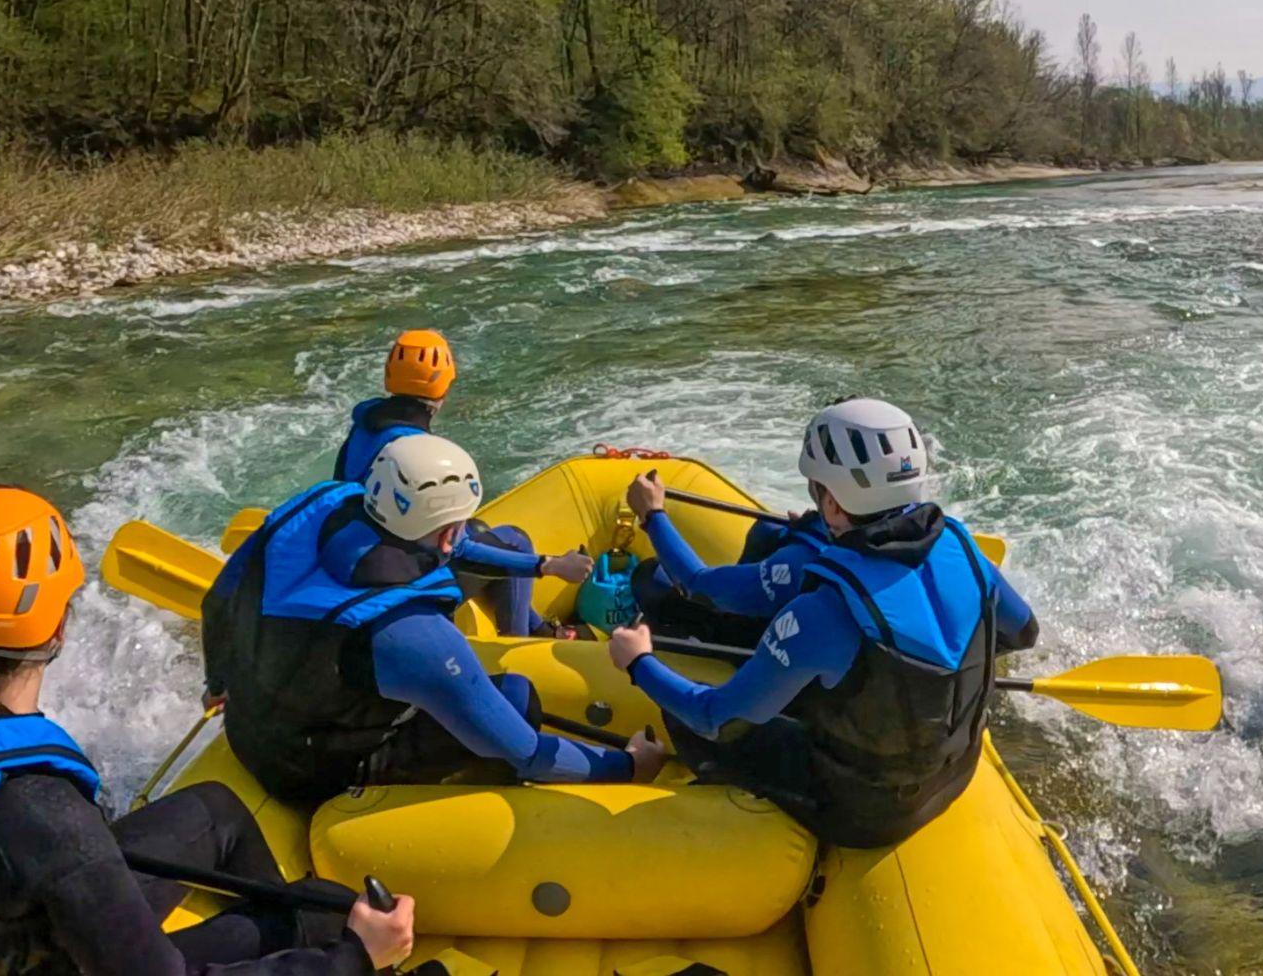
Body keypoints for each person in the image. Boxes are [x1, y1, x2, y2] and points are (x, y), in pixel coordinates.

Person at [0, 486, 414, 976]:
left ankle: (280, 916)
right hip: (56, 959)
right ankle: (301, 930)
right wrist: (355, 958)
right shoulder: (44, 811)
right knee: (326, 916)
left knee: (217, 809)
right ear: (60, 624)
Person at [606, 399, 1039, 849]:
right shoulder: (965, 549)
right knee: (844, 677)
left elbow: (715, 719)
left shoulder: (822, 612)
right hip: (957, 774)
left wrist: (639, 664)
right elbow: (1022, 632)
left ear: (831, 504)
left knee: (684, 720)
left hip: (866, 814)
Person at [204, 434, 665, 804]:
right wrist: (625, 766)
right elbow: (526, 753)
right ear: (447, 532)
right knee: (517, 698)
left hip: (251, 729)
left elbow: (217, 602)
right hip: (309, 775)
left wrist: (217, 681)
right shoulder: (416, 637)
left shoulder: (321, 502)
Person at [335, 328, 589, 636]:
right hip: (401, 573)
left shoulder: (366, 425)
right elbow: (457, 548)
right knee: (515, 541)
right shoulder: (418, 456)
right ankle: (518, 649)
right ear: (443, 388)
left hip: (361, 555)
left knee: (479, 529)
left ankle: (542, 630)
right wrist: (550, 564)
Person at [622, 475, 834, 649]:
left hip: (766, 653)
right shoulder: (857, 537)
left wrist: (651, 514)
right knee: (768, 530)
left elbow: (697, 584)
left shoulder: (799, 562)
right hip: (797, 627)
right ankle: (732, 598)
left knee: (649, 578)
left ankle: (708, 629)